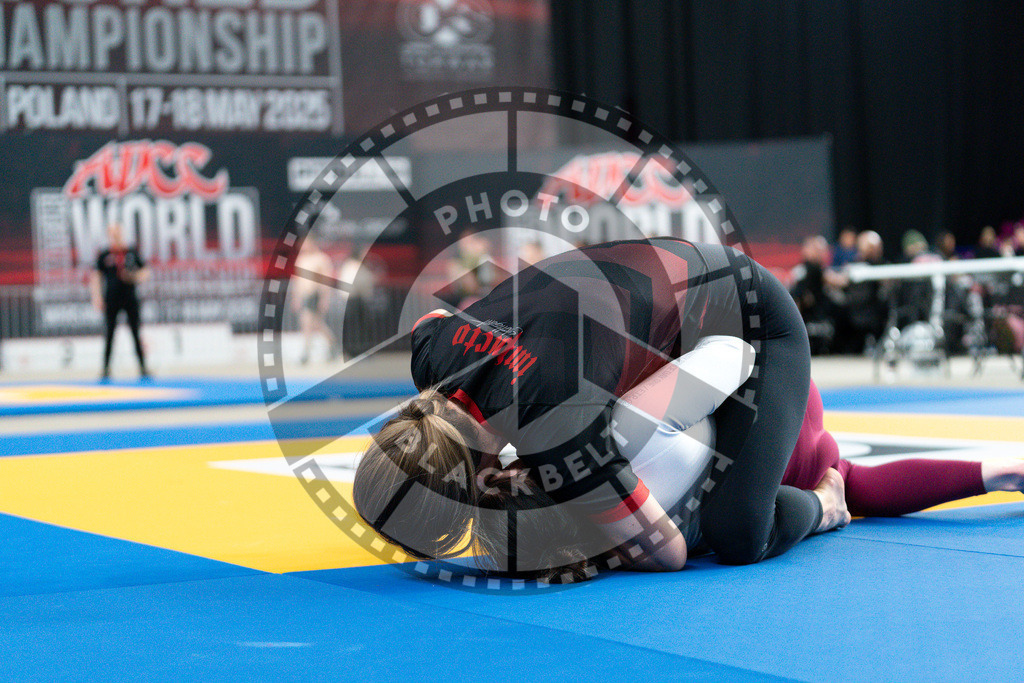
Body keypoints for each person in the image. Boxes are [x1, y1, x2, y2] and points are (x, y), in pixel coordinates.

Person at [355, 238, 839, 578]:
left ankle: (828, 503)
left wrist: (576, 537)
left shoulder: (555, 427)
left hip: (754, 320)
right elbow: (434, 318)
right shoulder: (432, 355)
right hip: (675, 289)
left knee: (739, 534)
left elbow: (666, 553)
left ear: (477, 485)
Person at [91, 223, 149, 381]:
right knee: (109, 334)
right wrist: (97, 297)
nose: (115, 235)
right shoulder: (105, 254)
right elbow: (96, 276)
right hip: (112, 300)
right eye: (112, 233)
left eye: (118, 232)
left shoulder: (130, 252)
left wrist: (134, 277)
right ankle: (105, 369)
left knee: (135, 333)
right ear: (109, 234)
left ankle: (143, 368)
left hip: (130, 298)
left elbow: (145, 271)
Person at [291, 234, 340, 364]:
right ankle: (332, 345)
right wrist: (296, 297)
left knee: (309, 323)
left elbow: (325, 281)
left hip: (315, 294)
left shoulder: (321, 259)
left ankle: (306, 353)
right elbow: (298, 281)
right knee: (315, 324)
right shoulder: (301, 259)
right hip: (305, 295)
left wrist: (325, 298)